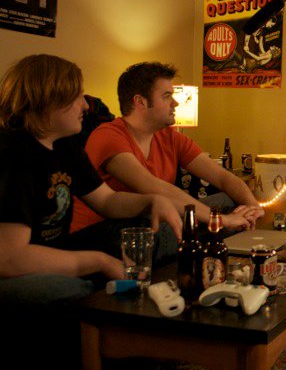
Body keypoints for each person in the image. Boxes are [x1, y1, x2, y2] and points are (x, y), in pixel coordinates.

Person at [0, 54, 181, 370]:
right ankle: (111, 361)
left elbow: (107, 200)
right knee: (73, 291)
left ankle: (147, 340)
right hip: (14, 269)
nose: (86, 104)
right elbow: (10, 259)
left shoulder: (65, 144)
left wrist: (150, 201)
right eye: (76, 96)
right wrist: (99, 261)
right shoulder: (14, 154)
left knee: (152, 231)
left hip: (56, 250)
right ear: (48, 99)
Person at [70, 62, 264, 259]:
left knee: (227, 201)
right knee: (167, 225)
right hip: (104, 233)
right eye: (166, 96)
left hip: (151, 220)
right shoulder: (108, 135)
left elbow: (224, 178)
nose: (175, 103)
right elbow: (153, 187)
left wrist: (253, 208)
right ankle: (204, 242)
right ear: (141, 102)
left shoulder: (170, 137)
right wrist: (221, 220)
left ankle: (208, 242)